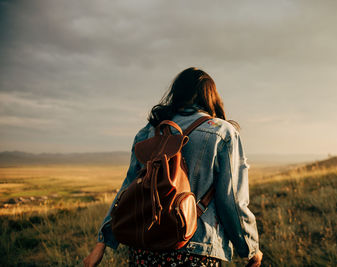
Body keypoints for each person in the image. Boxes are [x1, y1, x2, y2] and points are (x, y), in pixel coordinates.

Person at [84, 67, 262, 267]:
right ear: (210, 96)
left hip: (145, 246)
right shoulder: (222, 132)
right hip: (197, 249)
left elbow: (128, 190)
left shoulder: (149, 131)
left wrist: (102, 243)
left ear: (176, 93)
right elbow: (232, 200)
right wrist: (250, 248)